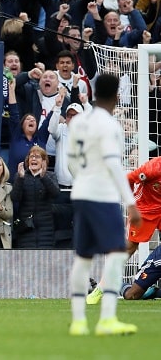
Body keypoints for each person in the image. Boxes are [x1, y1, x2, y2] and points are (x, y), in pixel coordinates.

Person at [67, 73, 141, 336]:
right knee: (117, 253)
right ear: (116, 95)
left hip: (81, 192)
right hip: (103, 195)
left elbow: (70, 161)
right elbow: (112, 163)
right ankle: (107, 317)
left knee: (83, 256)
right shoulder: (109, 125)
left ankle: (78, 321)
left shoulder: (78, 122)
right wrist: (131, 202)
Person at [87, 154, 161, 304]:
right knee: (129, 248)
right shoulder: (152, 168)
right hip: (144, 209)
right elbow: (128, 179)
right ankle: (102, 286)